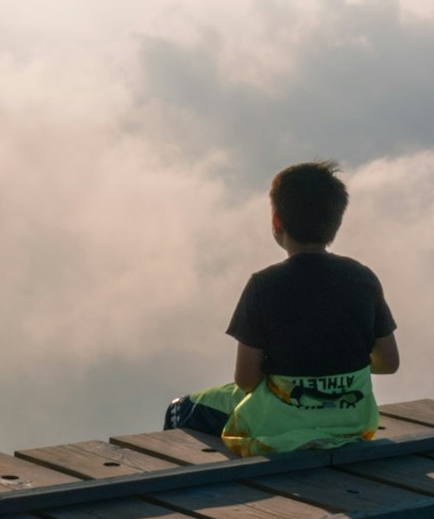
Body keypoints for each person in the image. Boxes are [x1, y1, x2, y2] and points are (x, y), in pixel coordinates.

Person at [162, 161, 399, 459]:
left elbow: (246, 379)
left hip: (279, 427)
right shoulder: (363, 277)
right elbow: (388, 362)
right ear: (336, 223)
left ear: (276, 222)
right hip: (352, 424)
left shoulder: (264, 285)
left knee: (179, 411)